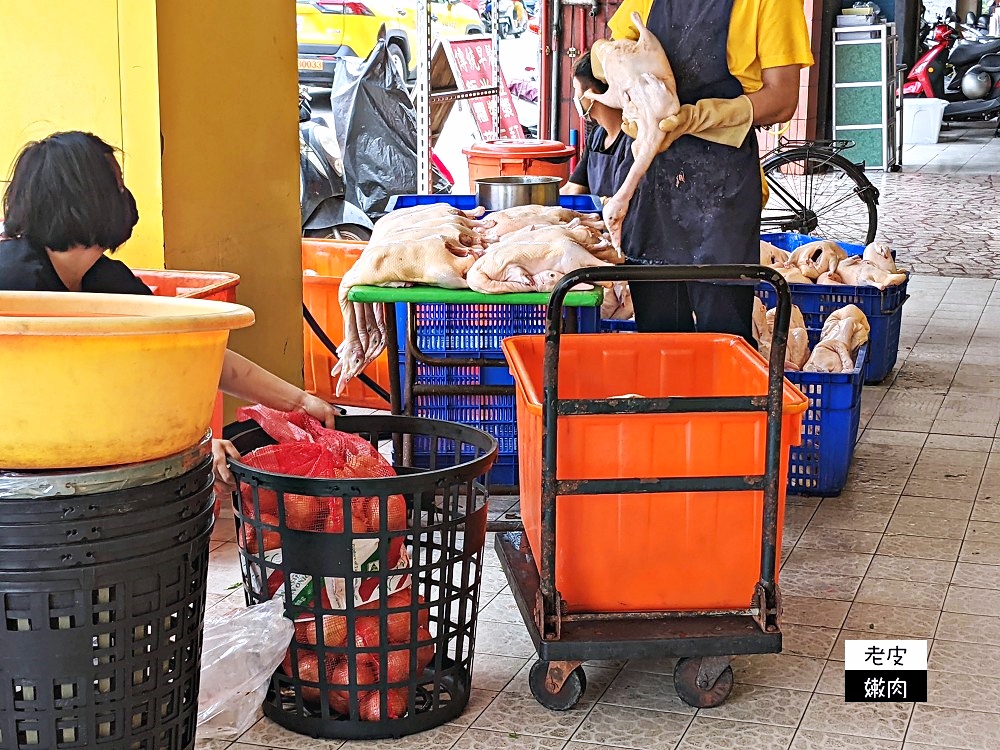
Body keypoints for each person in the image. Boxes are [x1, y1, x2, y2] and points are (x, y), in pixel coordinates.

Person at [0, 131, 339, 492]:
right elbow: (65, 401)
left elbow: (194, 354)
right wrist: (185, 449)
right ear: (89, 199)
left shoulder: (106, 280)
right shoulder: (15, 283)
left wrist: (299, 401)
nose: (126, 199)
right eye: (117, 186)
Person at [602, 0, 813, 344]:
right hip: (652, 182)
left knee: (724, 337)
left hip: (721, 188)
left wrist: (701, 117)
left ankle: (721, 399)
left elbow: (783, 97)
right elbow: (612, 46)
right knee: (658, 338)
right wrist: (610, 58)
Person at [561, 50, 635, 201]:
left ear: (591, 94)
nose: (575, 97)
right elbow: (574, 188)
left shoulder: (633, 138)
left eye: (576, 89)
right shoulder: (596, 136)